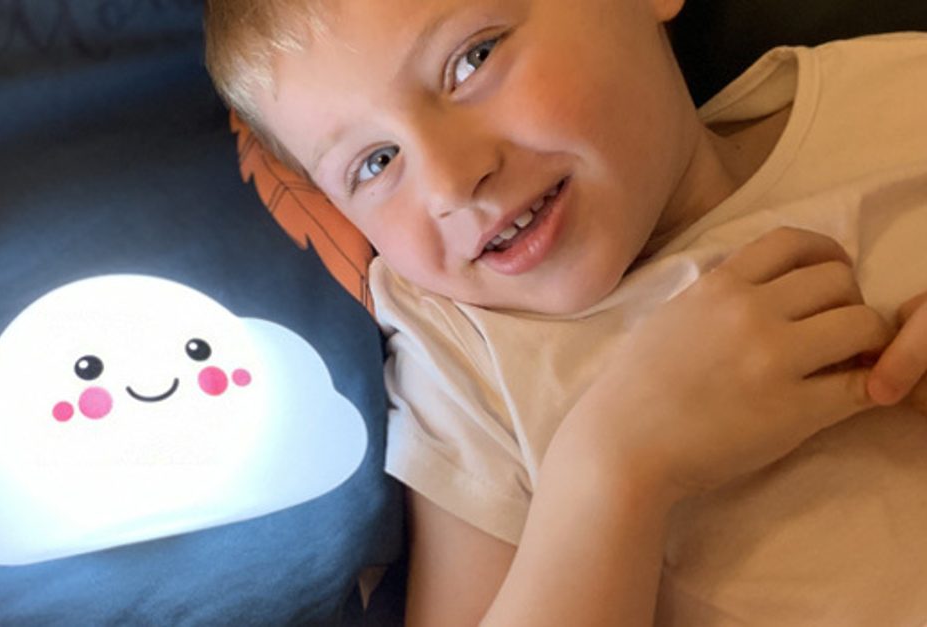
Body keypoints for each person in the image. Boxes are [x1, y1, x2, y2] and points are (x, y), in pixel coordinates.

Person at [204, 0, 927, 623]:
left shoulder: (899, 95)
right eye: (376, 162)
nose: (452, 182)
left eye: (472, 59)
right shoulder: (465, 350)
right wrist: (617, 465)